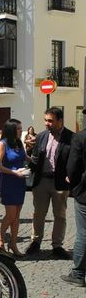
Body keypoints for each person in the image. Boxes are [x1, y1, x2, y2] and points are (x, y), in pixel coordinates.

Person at [26, 107, 73, 258]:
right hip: (41, 182)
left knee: (60, 215)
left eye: (50, 121)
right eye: (45, 120)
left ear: (60, 121)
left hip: (60, 183)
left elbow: (75, 160)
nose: (47, 123)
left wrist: (71, 175)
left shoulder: (71, 137)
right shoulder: (41, 136)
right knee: (38, 214)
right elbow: (34, 158)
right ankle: (35, 242)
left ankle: (57, 246)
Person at [0, 119, 29, 257]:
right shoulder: (2, 144)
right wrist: (14, 172)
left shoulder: (19, 143)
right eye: (18, 129)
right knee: (10, 215)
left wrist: (36, 160)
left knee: (17, 215)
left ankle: (13, 244)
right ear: (11, 130)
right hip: (8, 181)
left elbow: (24, 157)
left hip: (20, 182)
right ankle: (0, 238)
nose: (21, 131)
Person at [63, 109, 86, 286]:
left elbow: (72, 167)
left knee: (83, 233)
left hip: (84, 193)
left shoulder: (80, 137)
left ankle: (78, 273)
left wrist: (73, 182)